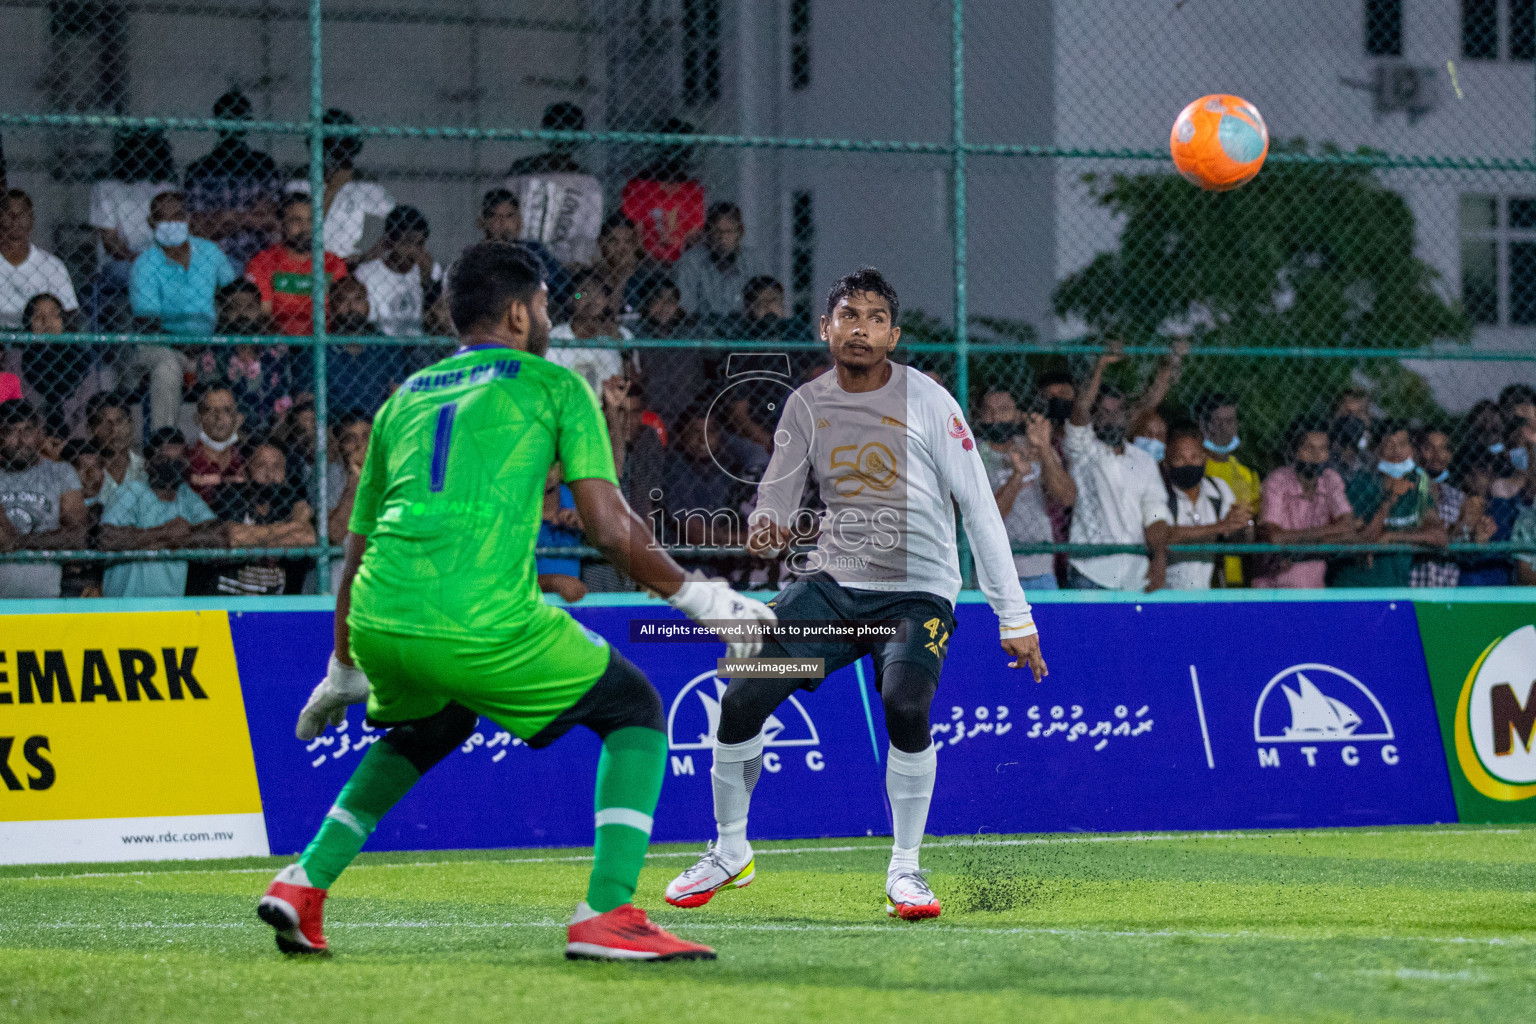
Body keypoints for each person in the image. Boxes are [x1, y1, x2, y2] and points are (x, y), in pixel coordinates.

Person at [258, 241, 774, 960]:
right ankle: (607, 913)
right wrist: (699, 596)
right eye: (542, 305)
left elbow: (354, 542)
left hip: (378, 612)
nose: (547, 317)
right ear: (517, 311)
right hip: (476, 617)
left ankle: (304, 882)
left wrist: (344, 662)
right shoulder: (553, 385)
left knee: (432, 727)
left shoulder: (403, 398)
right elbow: (604, 519)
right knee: (634, 708)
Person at [664, 267, 1047, 921]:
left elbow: (979, 505)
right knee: (742, 694)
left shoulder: (930, 401)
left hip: (916, 594)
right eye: (849, 315)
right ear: (826, 328)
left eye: (874, 318)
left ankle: (906, 870)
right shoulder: (806, 405)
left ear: (892, 334)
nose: (861, 328)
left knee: (904, 704)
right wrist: (767, 524)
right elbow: (778, 496)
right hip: (833, 586)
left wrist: (1014, 614)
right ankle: (730, 850)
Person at [1062, 344, 1173, 591]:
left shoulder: (1143, 461)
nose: (1110, 418)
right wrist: (1100, 365)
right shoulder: (1083, 450)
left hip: (1135, 575)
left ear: (1126, 416)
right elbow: (1080, 409)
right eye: (1102, 412)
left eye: (1116, 412)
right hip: (1090, 573)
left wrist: (1159, 559)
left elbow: (1155, 513)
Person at [98, 427, 226, 597]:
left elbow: (216, 536)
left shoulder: (186, 495)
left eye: (178, 461)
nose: (171, 467)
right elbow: (108, 539)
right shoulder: (131, 490)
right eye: (163, 460)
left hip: (169, 606)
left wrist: (151, 541)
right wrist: (167, 532)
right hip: (125, 605)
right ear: (147, 464)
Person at [975, 388, 1075, 590]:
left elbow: (1067, 497)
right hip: (994, 571)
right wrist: (1018, 476)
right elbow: (987, 515)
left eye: (1004, 409)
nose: (996, 416)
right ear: (979, 415)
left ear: (1017, 414)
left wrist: (1045, 448)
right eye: (988, 410)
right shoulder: (973, 452)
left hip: (1040, 569)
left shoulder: (1033, 444)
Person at [1332, 421, 1446, 588]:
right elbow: (1363, 541)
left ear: (1412, 451)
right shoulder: (1361, 484)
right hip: (1357, 585)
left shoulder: (1416, 488)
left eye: (1403, 444)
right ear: (1377, 451)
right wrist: (1389, 498)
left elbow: (1438, 536)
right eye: (1389, 445)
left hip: (1395, 586)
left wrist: (1393, 537)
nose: (1397, 451)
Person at [88, 128, 179, 330]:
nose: (142, 153)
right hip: (120, 263)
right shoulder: (106, 188)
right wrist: (137, 259)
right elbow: (110, 242)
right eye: (136, 147)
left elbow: (173, 240)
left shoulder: (167, 189)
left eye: (148, 147)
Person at [1250, 421, 1357, 589]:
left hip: (1314, 587)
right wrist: (1331, 534)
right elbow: (1274, 537)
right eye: (1309, 448)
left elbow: (1349, 529)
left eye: (1323, 449)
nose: (1316, 455)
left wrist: (1292, 547)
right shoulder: (1278, 481)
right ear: (1294, 451)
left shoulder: (1330, 479)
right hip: (1276, 587)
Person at [184, 90, 282, 273]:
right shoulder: (199, 170)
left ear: (248, 122)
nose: (233, 125)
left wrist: (224, 217)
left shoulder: (263, 165)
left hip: (260, 258)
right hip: (213, 260)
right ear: (217, 123)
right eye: (227, 118)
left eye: (239, 118)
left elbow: (273, 222)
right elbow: (197, 229)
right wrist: (250, 217)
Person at [282, 108, 395, 262]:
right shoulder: (301, 185)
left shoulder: (366, 187)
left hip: (351, 264)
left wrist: (368, 256)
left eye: (344, 151)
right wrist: (334, 188)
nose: (336, 160)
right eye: (330, 150)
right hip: (309, 262)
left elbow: (400, 223)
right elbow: (304, 227)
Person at [0, 401, 88, 597]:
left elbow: (77, 538)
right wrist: (47, 540)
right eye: (12, 432)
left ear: (39, 434)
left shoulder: (60, 473)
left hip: (45, 597)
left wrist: (19, 541)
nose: (21, 440)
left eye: (28, 431)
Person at [504, 103, 605, 266]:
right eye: (559, 128)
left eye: (570, 130)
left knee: (583, 292)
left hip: (567, 266)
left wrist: (578, 263)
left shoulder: (587, 181)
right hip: (526, 260)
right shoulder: (523, 171)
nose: (564, 137)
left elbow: (588, 233)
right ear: (546, 131)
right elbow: (507, 212)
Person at [213, 442, 314, 596]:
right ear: (247, 471)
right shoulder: (230, 495)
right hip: (228, 599)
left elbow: (307, 537)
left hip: (277, 602)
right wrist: (291, 527)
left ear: (286, 475)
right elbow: (233, 537)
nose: (269, 474)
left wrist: (252, 539)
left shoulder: (291, 502)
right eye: (261, 466)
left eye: (277, 467)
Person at [130, 191, 239, 332]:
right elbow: (147, 320)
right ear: (151, 222)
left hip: (211, 339)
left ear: (188, 218)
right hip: (165, 344)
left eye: (177, 217)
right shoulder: (144, 265)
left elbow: (233, 292)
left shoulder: (209, 251)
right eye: (163, 218)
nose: (171, 224)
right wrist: (185, 344)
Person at [244, 193, 350, 336]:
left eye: (310, 220)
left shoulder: (334, 264)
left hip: (326, 344)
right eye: (296, 220)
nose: (305, 227)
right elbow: (263, 316)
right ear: (281, 224)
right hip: (278, 345)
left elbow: (342, 312)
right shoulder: (263, 262)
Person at [1161, 423, 1246, 590]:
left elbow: (1234, 536)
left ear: (1205, 457)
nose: (1189, 464)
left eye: (1195, 457)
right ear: (1167, 462)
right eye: (1180, 459)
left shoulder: (1219, 490)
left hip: (1206, 593)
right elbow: (1165, 535)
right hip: (1166, 596)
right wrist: (1219, 527)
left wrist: (1243, 525)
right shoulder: (1158, 493)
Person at [351, 206, 446, 338]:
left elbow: (437, 319)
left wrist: (427, 281)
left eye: (420, 244)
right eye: (408, 243)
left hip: (420, 344)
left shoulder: (431, 270)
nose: (414, 250)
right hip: (381, 345)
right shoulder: (367, 273)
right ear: (390, 242)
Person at [1196, 392, 1260, 586]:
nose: (1225, 429)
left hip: (1240, 571)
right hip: (1207, 571)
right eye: (1218, 422)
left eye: (1230, 421)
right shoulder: (1197, 469)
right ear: (1205, 425)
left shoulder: (1246, 473)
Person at [620, 119, 705, 264]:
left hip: (682, 264)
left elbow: (693, 236)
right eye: (669, 149)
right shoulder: (640, 187)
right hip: (643, 263)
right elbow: (634, 233)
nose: (674, 158)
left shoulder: (692, 191)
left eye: (680, 149)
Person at [476, 189, 571, 312]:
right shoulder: (476, 256)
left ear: (519, 221)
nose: (503, 223)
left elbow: (565, 288)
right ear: (484, 223)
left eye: (509, 216)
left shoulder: (533, 250)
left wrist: (578, 295)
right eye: (495, 217)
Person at [326, 276, 406, 417]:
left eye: (357, 300)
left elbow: (398, 400)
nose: (351, 308)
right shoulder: (321, 349)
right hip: (334, 432)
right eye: (342, 300)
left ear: (368, 306)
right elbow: (307, 402)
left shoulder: (388, 347)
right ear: (332, 306)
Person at [0, 189, 80, 330]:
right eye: (8, 212)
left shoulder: (52, 265)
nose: (15, 218)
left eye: (22, 213)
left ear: (31, 219)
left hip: (40, 342)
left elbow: (70, 312)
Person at [548, 269, 634, 394]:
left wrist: (623, 349)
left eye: (598, 293)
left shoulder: (622, 335)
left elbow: (635, 384)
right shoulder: (556, 336)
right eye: (582, 293)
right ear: (571, 301)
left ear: (607, 300)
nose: (590, 299)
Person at [672, 202, 758, 318]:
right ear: (707, 233)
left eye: (729, 231)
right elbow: (684, 304)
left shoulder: (752, 259)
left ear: (740, 232)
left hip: (743, 326)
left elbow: (763, 296)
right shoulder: (691, 260)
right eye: (717, 231)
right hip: (703, 327)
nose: (722, 237)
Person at [1411, 427, 1466, 588]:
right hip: (1415, 582)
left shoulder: (1457, 497)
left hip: (1448, 585)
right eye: (1429, 448)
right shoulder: (1408, 492)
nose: (1436, 455)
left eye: (1442, 449)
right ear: (1419, 451)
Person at [85, 392, 146, 513]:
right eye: (104, 422)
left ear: (131, 425)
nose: (114, 430)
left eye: (120, 421)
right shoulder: (83, 474)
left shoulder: (146, 470)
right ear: (90, 431)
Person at [536, 463, 587, 603]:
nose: (547, 474)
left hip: (575, 604)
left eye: (551, 465)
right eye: (540, 463)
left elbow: (610, 547)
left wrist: (586, 527)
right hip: (528, 607)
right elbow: (506, 581)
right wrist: (555, 582)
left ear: (561, 468)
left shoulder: (577, 498)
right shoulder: (515, 508)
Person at [186, 387, 247, 502]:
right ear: (198, 418)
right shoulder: (188, 459)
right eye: (211, 411)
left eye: (227, 410)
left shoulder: (247, 457)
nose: (219, 418)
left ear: (239, 418)